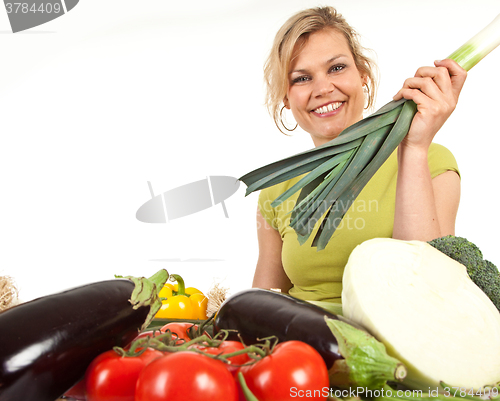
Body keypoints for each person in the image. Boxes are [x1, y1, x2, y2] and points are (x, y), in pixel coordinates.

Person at [252, 6, 466, 314]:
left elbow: (427, 291)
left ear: (362, 75)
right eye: (302, 78)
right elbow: (261, 304)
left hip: (395, 351)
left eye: (336, 68)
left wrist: (414, 149)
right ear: (286, 98)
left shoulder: (432, 161)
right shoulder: (277, 190)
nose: (323, 88)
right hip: (301, 352)